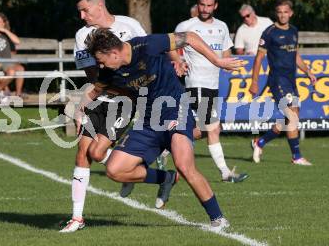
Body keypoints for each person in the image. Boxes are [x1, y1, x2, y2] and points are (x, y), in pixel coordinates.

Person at [84, 28, 244, 229]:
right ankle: (166, 178)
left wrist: (218, 61)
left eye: (101, 60)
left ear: (114, 53)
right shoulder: (109, 72)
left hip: (175, 108)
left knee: (184, 165)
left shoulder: (147, 46)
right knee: (115, 170)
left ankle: (218, 218)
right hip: (148, 119)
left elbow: (190, 37)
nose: (100, 65)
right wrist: (78, 108)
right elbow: (96, 91)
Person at [59, 0, 148, 233]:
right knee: (83, 152)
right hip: (99, 96)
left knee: (98, 153)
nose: (82, 16)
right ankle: (77, 218)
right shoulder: (82, 35)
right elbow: (90, 73)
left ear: (99, 6)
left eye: (84, 10)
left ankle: (136, 170)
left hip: (124, 100)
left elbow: (145, 54)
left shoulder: (130, 25)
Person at [172, 0, 248, 183]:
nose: (205, 9)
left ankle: (169, 143)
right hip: (196, 84)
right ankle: (225, 173)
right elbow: (171, 47)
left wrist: (232, 65)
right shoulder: (187, 26)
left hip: (213, 85)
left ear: (215, 6)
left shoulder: (222, 27)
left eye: (209, 5)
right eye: (202, 5)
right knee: (213, 127)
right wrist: (178, 61)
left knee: (208, 128)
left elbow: (225, 54)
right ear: (198, 4)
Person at [249, 0, 316, 165]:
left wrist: (307, 71)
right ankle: (297, 156)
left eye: (286, 12)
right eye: (279, 12)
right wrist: (254, 82)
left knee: (291, 118)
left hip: (291, 80)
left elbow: (295, 55)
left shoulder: (294, 31)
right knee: (292, 116)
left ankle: (261, 142)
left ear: (291, 13)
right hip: (277, 80)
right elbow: (258, 59)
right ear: (276, 13)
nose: (282, 15)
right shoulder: (269, 33)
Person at [0, 13, 24, 99]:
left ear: (4, 23)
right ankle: (4, 91)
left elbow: (17, 41)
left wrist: (5, 30)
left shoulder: (6, 35)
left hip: (7, 62)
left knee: (16, 70)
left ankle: (1, 91)